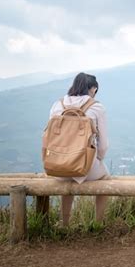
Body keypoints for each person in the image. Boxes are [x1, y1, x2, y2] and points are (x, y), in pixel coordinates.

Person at [48, 72, 110, 226]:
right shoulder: (96, 107)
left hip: (58, 168)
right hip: (86, 167)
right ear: (93, 89)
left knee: (68, 175)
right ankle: (97, 223)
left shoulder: (58, 105)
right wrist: (98, 159)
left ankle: (65, 223)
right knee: (106, 179)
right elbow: (103, 145)